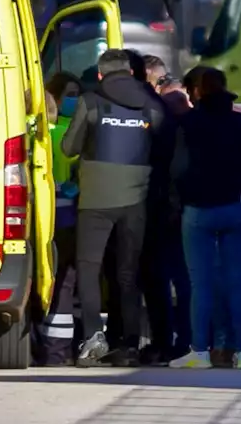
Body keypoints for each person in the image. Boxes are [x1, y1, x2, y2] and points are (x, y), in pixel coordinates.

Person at [61, 49, 166, 367]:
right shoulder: (151, 105)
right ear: (132, 74)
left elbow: (69, 148)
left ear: (101, 75)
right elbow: (164, 150)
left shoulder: (90, 101)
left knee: (89, 269)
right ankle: (130, 345)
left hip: (94, 199)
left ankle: (94, 339)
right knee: (128, 273)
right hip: (137, 199)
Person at [169, 68, 241, 369]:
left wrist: (182, 198)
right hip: (235, 207)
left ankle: (200, 351)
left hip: (198, 209)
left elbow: (177, 168)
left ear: (196, 91)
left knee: (201, 283)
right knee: (237, 281)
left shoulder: (188, 124)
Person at [136, 53, 192, 366]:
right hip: (169, 208)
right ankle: (179, 341)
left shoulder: (164, 114)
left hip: (164, 209)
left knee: (163, 279)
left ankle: (169, 341)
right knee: (174, 279)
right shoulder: (168, 113)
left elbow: (173, 167)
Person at [36, 73, 82, 366]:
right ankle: (61, 350)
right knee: (65, 283)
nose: (74, 100)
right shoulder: (59, 132)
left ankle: (55, 349)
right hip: (61, 217)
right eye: (70, 93)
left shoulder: (53, 130)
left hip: (63, 216)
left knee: (64, 285)